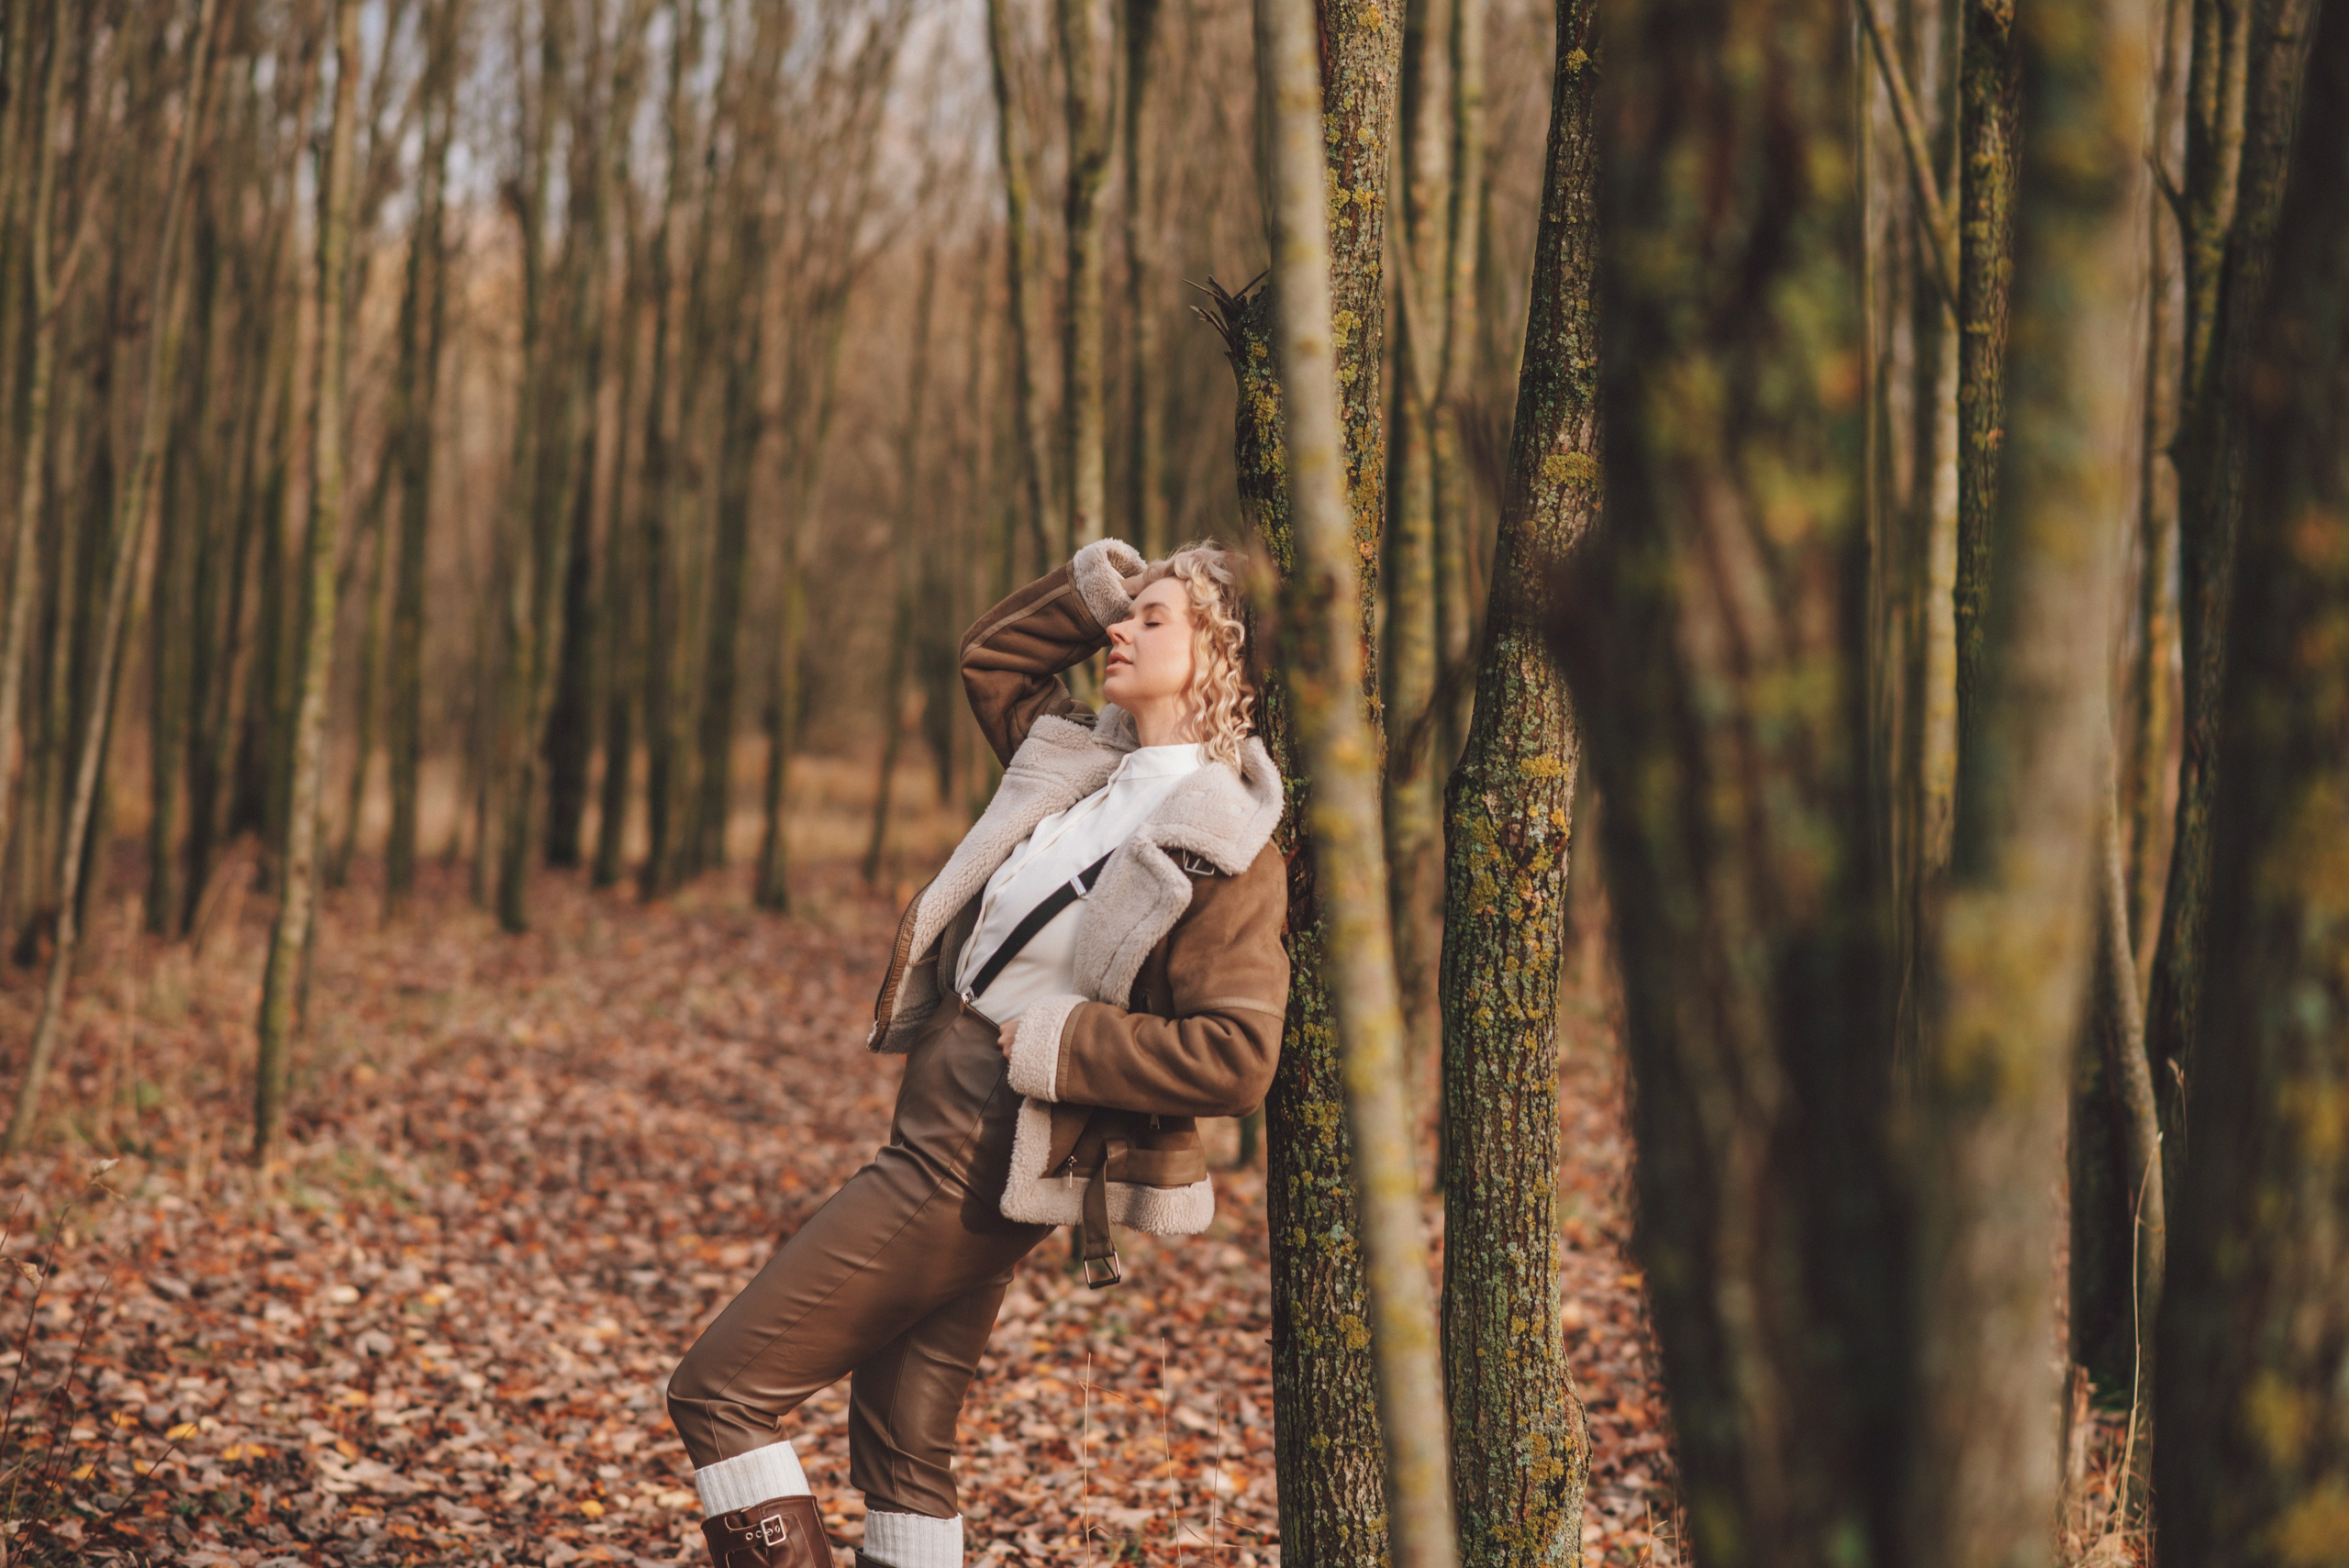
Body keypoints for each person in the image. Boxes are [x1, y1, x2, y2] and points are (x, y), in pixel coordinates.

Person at [666, 539, 1290, 1568]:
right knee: (905, 1451)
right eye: (1121, 616)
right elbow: (994, 658)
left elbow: (1234, 1054)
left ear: (1220, 654)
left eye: (1155, 619)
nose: (1119, 633)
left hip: (982, 1144)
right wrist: (1116, 581)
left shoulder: (1222, 841)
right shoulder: (1081, 763)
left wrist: (1062, 1038)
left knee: (721, 1390)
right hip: (940, 1115)